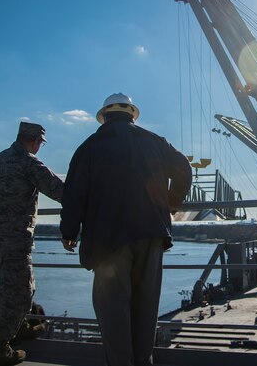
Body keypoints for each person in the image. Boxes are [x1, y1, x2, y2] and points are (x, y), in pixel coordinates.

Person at [60, 93, 191, 366]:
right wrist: (171, 203)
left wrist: (69, 231)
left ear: (104, 116)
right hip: (152, 234)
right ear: (132, 114)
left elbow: (74, 193)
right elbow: (184, 168)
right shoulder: (154, 141)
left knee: (113, 311)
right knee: (146, 308)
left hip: (109, 239)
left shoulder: (90, 146)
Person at [0, 122, 64, 366]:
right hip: (14, 240)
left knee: (11, 287)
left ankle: (19, 327)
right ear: (35, 142)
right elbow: (60, 191)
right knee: (20, 293)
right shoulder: (30, 163)